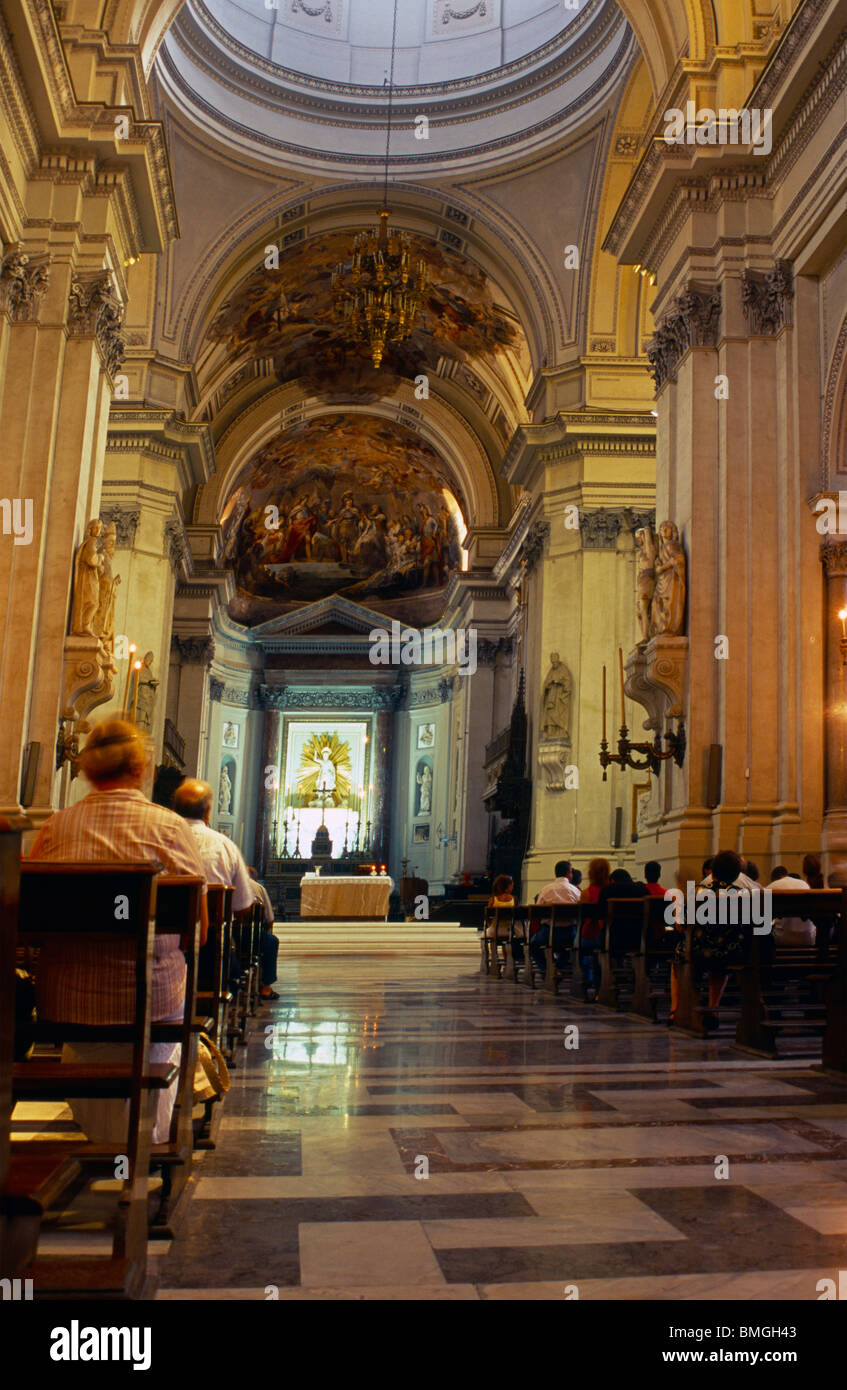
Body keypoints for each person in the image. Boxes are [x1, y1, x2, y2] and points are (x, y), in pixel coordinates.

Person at [29, 719, 208, 1145]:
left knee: (93, 1046)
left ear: (87, 770)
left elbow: (32, 926)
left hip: (66, 1000)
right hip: (149, 1001)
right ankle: (142, 1141)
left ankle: (109, 1137)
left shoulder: (55, 827)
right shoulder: (168, 827)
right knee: (172, 1017)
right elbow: (197, 931)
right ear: (141, 767)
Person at [172, 780, 255, 989]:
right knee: (231, 970)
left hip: (165, 942)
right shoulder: (225, 845)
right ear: (208, 812)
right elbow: (244, 906)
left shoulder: (161, 839)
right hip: (212, 949)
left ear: (173, 809)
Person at [670, 849, 749, 1032]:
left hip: (698, 952)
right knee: (719, 969)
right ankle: (713, 1008)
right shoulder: (743, 895)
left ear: (712, 871)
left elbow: (681, 925)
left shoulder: (697, 893)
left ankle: (676, 1010)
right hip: (730, 953)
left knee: (678, 958)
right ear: (737, 874)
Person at [531, 861, 581, 980]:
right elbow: (581, 911)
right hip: (570, 933)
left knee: (533, 945)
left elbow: (537, 911)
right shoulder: (575, 890)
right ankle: (558, 968)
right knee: (570, 947)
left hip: (548, 933)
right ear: (569, 874)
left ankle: (548, 970)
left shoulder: (546, 889)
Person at [249, 866, 280, 1000]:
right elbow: (270, 919)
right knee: (272, 941)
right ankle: (266, 987)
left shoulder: (228, 883)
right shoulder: (258, 888)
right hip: (252, 936)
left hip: (228, 936)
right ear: (255, 878)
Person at [769, 865, 815, 945]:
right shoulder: (804, 884)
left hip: (783, 939)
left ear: (774, 879)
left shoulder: (773, 886)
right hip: (808, 938)